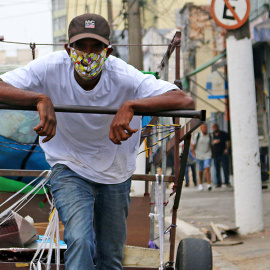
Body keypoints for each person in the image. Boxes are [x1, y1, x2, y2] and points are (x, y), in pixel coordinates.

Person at [0, 13, 195, 270]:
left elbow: (184, 101)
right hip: (69, 167)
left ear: (109, 50)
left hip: (115, 172)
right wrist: (39, 98)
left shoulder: (124, 75)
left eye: (96, 47)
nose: (88, 53)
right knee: (80, 240)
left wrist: (131, 105)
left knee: (110, 256)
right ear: (68, 49)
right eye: (80, 46)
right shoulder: (50, 67)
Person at [192, 123, 213, 191]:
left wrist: (212, 154)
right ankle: (200, 184)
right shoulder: (197, 136)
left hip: (207, 154)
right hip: (199, 155)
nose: (205, 129)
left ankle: (208, 184)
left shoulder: (209, 135)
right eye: (203, 128)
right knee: (200, 170)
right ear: (201, 129)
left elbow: (211, 145)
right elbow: (193, 146)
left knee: (207, 168)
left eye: (206, 127)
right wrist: (193, 154)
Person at [212, 123, 231, 187]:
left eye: (216, 127)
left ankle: (227, 181)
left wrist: (226, 149)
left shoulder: (223, 134)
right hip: (215, 154)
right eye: (214, 127)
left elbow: (228, 140)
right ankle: (218, 182)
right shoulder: (212, 135)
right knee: (217, 169)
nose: (215, 128)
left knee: (225, 168)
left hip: (223, 153)